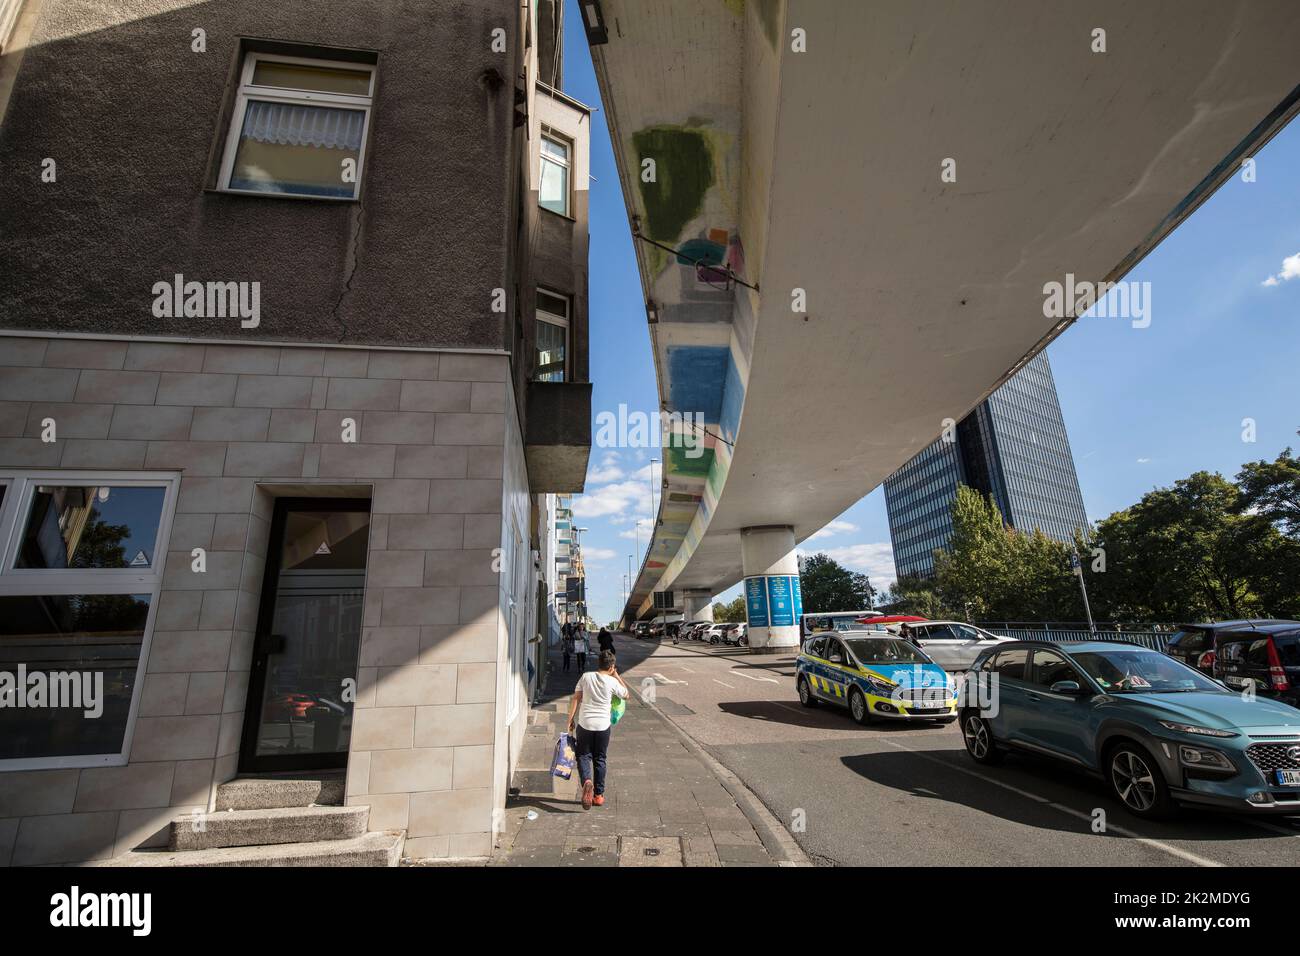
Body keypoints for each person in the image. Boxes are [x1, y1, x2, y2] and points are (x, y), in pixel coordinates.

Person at [566, 649, 630, 809]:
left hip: (585, 724)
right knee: (600, 759)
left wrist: (570, 720)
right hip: (603, 726)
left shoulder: (586, 677)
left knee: (583, 756)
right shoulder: (612, 681)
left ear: (598, 663)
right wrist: (616, 676)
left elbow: (576, 698)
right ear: (611, 666)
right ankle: (599, 795)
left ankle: (587, 781)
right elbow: (626, 695)